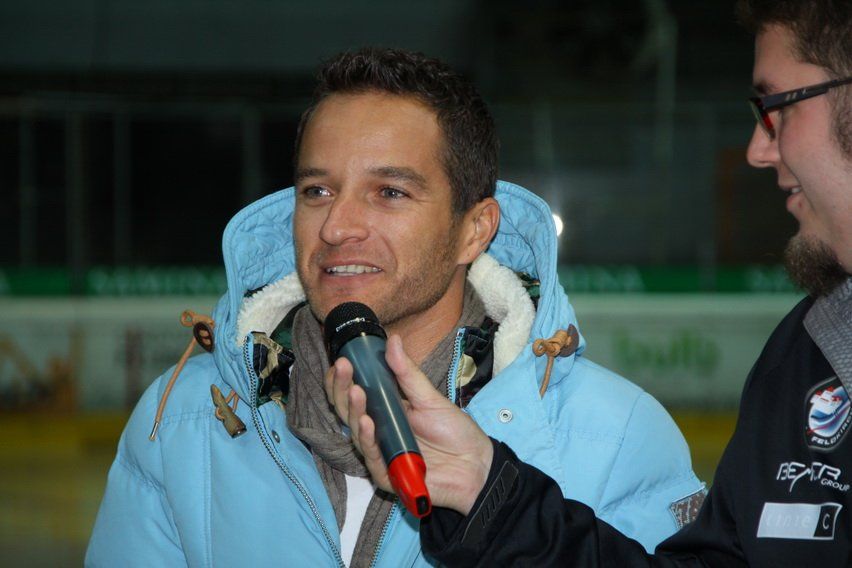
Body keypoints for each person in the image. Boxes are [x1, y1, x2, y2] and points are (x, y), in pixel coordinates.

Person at [86, 48, 703, 567]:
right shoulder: (183, 419)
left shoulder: (619, 435)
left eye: (390, 192)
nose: (337, 226)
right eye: (317, 189)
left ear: (474, 230)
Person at [330, 1, 852, 566]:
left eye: (778, 107)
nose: (758, 148)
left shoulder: (624, 428)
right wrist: (487, 499)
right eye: (316, 192)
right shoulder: (802, 355)